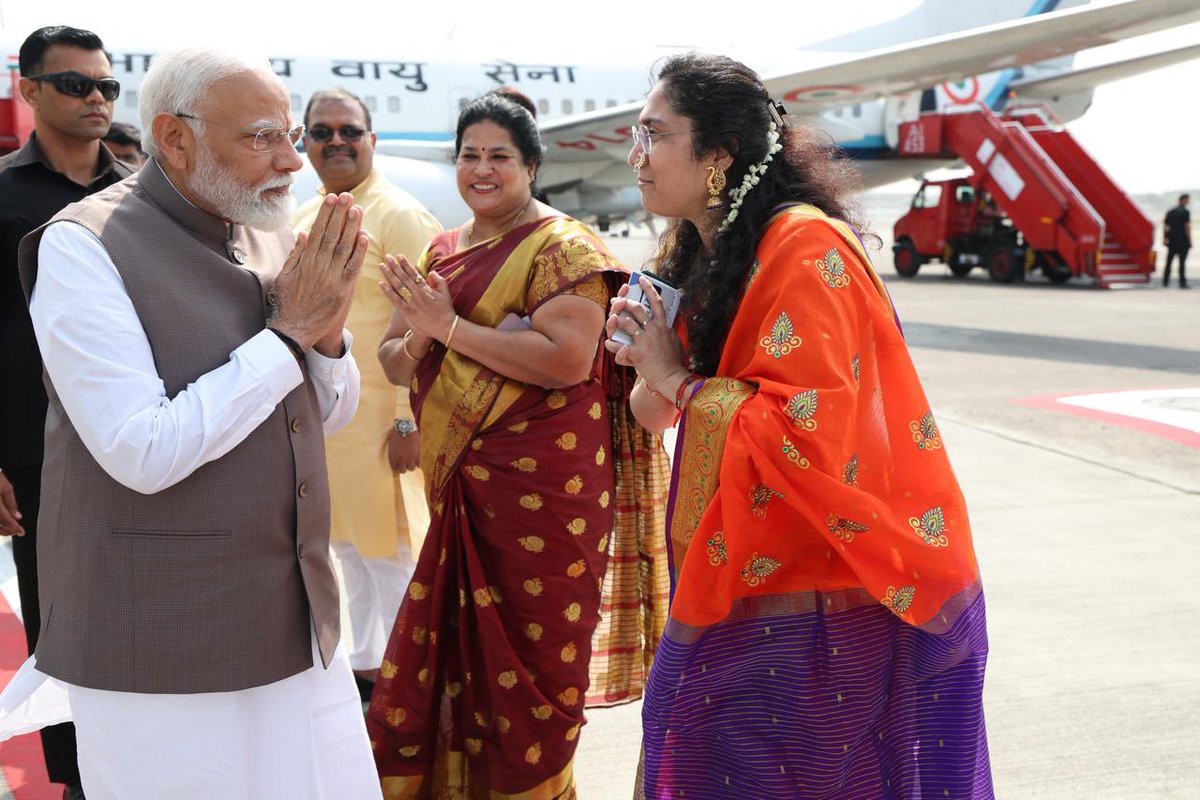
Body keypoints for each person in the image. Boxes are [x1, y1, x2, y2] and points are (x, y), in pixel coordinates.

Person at [607, 54, 992, 799]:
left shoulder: (804, 250)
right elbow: (657, 414)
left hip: (824, 590)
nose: (635, 155)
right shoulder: (704, 251)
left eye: (654, 134)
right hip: (740, 572)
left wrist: (677, 378)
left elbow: (804, 434)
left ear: (717, 155)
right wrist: (645, 361)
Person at [6, 47, 383, 799]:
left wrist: (328, 340)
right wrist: (287, 339)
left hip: (294, 622)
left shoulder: (269, 232)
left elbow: (328, 414)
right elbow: (141, 450)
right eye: (261, 137)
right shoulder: (84, 247)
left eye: (290, 135)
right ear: (175, 139)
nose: (292, 161)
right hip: (161, 638)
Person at [366, 88, 670, 799]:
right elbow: (392, 362)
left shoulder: (565, 248)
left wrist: (447, 330)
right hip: (464, 488)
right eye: (469, 155)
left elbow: (567, 361)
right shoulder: (441, 249)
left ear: (530, 165)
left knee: (534, 664)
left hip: (545, 498)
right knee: (448, 651)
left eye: (499, 155)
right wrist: (422, 329)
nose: (481, 169)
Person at [0, 25, 134, 799]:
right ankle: (81, 779)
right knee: (59, 622)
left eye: (106, 87)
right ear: (31, 89)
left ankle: (137, 764)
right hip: (37, 452)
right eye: (77, 84)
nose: (95, 99)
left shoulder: (142, 196)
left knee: (143, 606)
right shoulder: (3, 197)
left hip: (142, 440)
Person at [294, 88, 442, 701]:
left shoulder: (398, 214)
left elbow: (428, 326)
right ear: (303, 143)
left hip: (386, 421)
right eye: (321, 131)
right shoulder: (305, 217)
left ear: (372, 139)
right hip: (328, 424)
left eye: (348, 130)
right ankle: (365, 670)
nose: (336, 141)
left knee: (394, 558)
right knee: (347, 553)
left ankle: (413, 683)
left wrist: (409, 421)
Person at [1163, 193, 1190, 288]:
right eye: (1186, 200)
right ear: (1182, 200)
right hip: (1182, 241)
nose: (1187, 202)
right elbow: (1187, 227)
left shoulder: (1170, 211)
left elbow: (1166, 226)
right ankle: (1182, 283)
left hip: (1172, 240)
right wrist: (1190, 240)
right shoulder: (1185, 212)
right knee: (1181, 263)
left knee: (1169, 262)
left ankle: (1165, 282)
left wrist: (1165, 238)